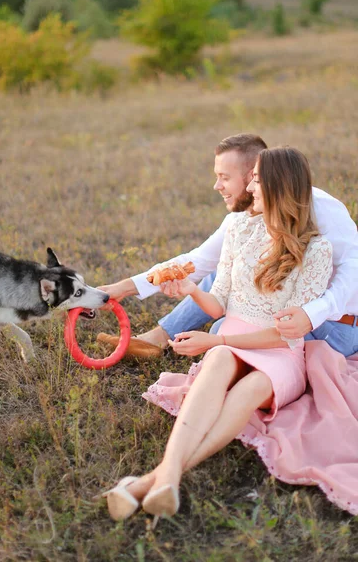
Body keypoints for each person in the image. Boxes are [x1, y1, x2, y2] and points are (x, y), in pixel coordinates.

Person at [102, 146, 340, 521]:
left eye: (257, 179)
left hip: (281, 354)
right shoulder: (240, 228)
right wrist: (192, 291)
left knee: (247, 388)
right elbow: (219, 305)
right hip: (231, 339)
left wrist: (217, 339)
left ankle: (153, 480)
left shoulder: (317, 250)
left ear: (278, 186)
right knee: (217, 364)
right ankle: (166, 480)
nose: (251, 186)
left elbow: (285, 337)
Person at [97, 134, 358, 359]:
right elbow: (198, 260)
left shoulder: (320, 207)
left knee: (220, 329)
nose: (216, 186)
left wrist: (310, 314)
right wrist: (123, 288)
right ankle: (157, 337)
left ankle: (165, 338)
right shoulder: (247, 219)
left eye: (224, 177)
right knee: (226, 275)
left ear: (252, 177)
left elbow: (353, 270)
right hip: (283, 314)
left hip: (334, 325)